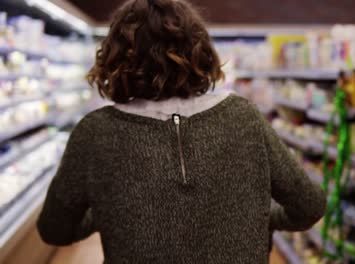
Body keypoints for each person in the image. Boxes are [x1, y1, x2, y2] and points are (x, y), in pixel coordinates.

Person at [37, 0, 326, 263]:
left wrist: (107, 212)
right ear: (199, 52)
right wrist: (262, 217)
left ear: (114, 58)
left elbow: (54, 230)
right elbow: (309, 205)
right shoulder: (243, 117)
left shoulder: (94, 132)